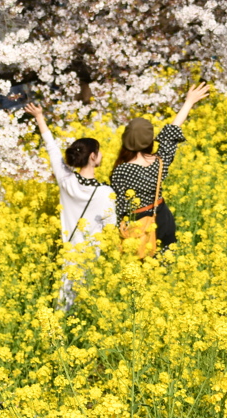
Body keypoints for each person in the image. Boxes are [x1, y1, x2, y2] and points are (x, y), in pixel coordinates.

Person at [25, 102, 116, 308]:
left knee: (64, 302)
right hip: (92, 257)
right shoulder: (105, 193)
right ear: (93, 157)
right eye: (99, 151)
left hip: (68, 253)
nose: (101, 154)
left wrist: (39, 117)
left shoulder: (66, 181)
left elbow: (52, 149)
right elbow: (111, 229)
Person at [111, 82, 211, 251]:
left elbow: (118, 207)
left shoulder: (121, 171)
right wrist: (189, 102)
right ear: (150, 140)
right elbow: (170, 133)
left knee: (138, 264)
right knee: (165, 264)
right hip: (162, 217)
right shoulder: (159, 162)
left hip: (138, 223)